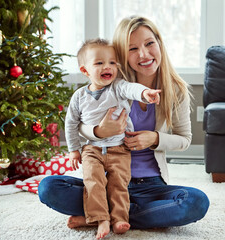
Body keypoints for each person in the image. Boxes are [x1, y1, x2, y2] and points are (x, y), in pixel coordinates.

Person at [38, 16, 209, 232]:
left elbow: (184, 140)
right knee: (48, 187)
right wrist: (99, 131)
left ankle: (103, 215)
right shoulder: (111, 85)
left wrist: (155, 138)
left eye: (149, 43)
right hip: (106, 180)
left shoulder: (175, 90)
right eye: (133, 49)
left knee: (196, 202)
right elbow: (78, 123)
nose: (144, 54)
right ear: (121, 55)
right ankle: (117, 212)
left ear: (159, 43)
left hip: (150, 185)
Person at [64, 38, 161, 238]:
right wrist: (74, 150)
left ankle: (119, 219)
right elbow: (71, 123)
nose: (107, 67)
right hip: (92, 150)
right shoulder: (79, 97)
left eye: (112, 62)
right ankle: (102, 219)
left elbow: (131, 89)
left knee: (118, 185)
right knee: (93, 182)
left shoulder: (117, 87)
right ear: (85, 71)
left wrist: (145, 93)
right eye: (99, 63)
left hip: (119, 149)